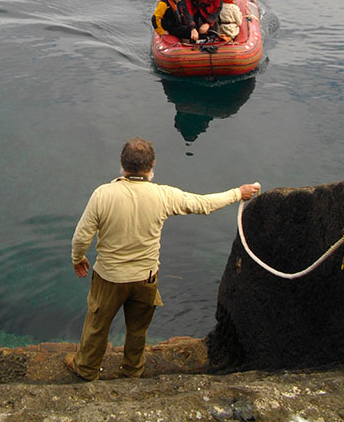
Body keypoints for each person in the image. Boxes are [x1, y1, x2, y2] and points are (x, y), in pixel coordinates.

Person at [64, 138, 260, 381]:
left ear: (122, 164)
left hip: (109, 278)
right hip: (146, 278)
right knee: (137, 329)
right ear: (152, 165)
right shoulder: (163, 196)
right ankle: (132, 370)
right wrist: (237, 193)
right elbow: (203, 204)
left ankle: (87, 368)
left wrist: (78, 258)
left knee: (97, 326)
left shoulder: (103, 195)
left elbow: (81, 236)